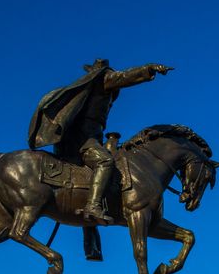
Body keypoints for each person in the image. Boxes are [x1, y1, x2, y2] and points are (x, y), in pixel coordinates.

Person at [28, 59, 173, 223]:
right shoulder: (102, 80)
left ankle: (91, 240)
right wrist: (148, 69)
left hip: (85, 137)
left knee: (93, 176)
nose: (112, 77)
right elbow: (124, 77)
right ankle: (93, 205)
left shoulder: (86, 90)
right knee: (105, 161)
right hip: (84, 138)